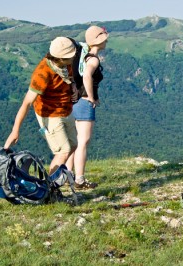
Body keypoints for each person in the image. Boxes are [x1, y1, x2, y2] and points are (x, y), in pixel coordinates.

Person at [4, 37, 78, 175]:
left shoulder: (65, 64)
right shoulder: (42, 73)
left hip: (66, 110)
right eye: (71, 55)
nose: (74, 56)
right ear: (60, 58)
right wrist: (15, 130)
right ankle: (50, 186)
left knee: (73, 145)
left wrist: (73, 85)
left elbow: (69, 77)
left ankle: (57, 178)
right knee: (63, 151)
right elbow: (26, 103)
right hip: (50, 115)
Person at [66, 25, 109, 189]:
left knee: (74, 143)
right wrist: (91, 97)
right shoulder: (93, 59)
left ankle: (67, 175)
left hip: (74, 102)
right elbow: (87, 77)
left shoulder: (82, 56)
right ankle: (80, 180)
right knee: (83, 142)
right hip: (84, 103)